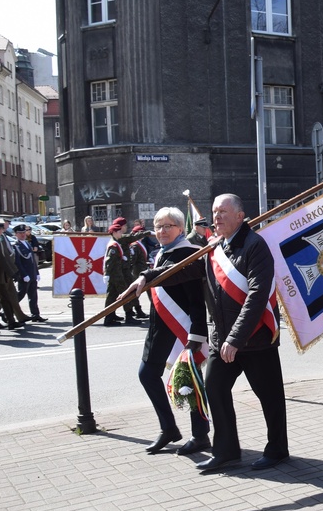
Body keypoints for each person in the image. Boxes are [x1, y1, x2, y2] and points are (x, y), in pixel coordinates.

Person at [197, 193, 288, 474]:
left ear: (240, 215)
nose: (217, 217)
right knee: (214, 386)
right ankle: (225, 451)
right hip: (222, 338)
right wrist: (147, 278)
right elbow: (185, 272)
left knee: (269, 396)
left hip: (256, 339)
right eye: (214, 212)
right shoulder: (214, 247)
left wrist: (236, 338)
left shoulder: (255, 245)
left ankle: (277, 450)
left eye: (223, 211)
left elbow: (258, 294)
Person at [122, 207, 211, 455]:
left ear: (181, 229)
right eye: (158, 226)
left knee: (190, 380)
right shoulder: (163, 253)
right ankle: (169, 428)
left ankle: (201, 435)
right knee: (147, 374)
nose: (162, 231)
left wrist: (196, 336)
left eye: (168, 226)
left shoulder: (188, 254)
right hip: (160, 326)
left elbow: (196, 300)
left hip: (183, 328)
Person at [102, 217, 151, 326]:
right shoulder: (116, 243)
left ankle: (110, 316)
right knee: (125, 293)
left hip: (120, 270)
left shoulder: (116, 240)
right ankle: (128, 315)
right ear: (114, 232)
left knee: (113, 294)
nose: (123, 230)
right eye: (119, 230)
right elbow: (109, 261)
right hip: (118, 273)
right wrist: (107, 274)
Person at [0, 220, 28, 331]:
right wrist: (12, 272)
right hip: (0, 275)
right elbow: (1, 259)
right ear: (0, 229)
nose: (5, 229)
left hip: (4, 274)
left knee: (7, 299)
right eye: (4, 227)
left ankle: (11, 321)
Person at [12, 224, 46, 322]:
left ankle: (35, 314)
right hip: (25, 275)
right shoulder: (16, 246)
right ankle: (6, 311)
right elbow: (18, 263)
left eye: (23, 232)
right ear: (16, 234)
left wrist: (37, 272)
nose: (22, 235)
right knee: (20, 295)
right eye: (20, 233)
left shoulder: (27, 243)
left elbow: (32, 260)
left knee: (33, 296)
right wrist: (23, 274)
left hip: (32, 273)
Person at [128, 223, 151, 319]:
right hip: (138, 271)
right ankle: (137, 310)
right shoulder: (135, 245)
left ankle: (138, 310)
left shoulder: (139, 244)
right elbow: (133, 260)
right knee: (136, 292)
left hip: (142, 269)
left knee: (145, 290)